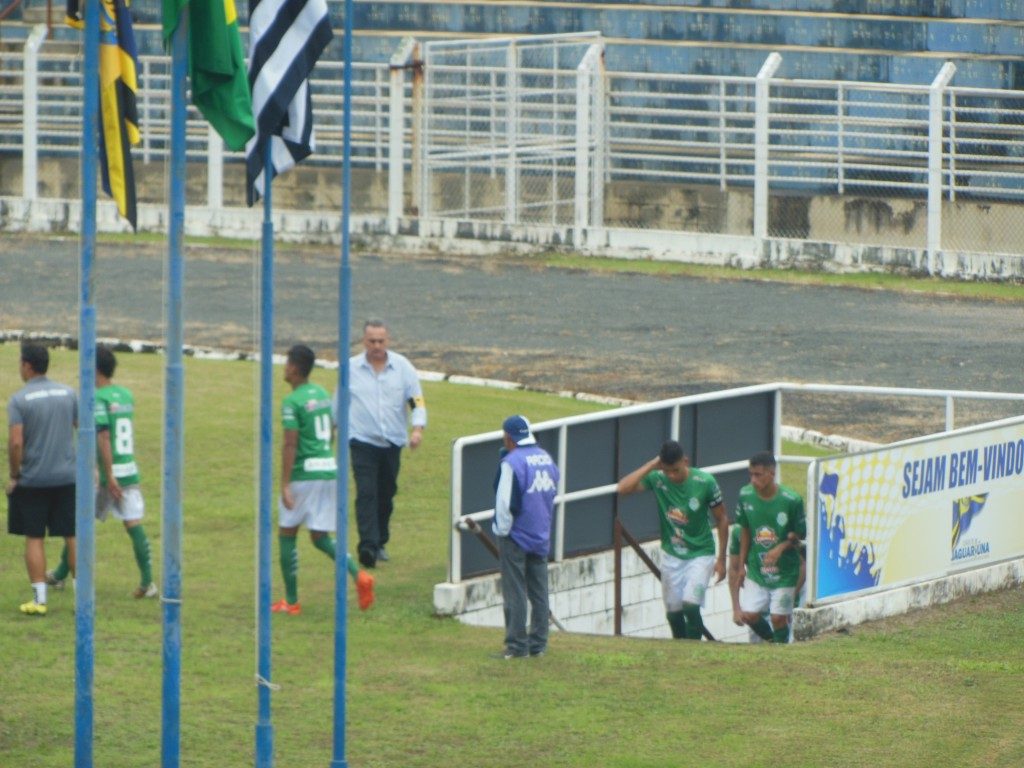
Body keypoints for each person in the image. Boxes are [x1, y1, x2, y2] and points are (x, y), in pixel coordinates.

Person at [47, 346, 156, 597]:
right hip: (129, 468)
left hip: (108, 473)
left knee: (78, 521)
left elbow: (104, 436)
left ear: (94, 369)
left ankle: (62, 574)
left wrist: (107, 475)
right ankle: (148, 582)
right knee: (132, 523)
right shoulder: (125, 395)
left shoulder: (97, 399)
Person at [275, 344, 374, 616]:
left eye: (286, 362)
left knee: (287, 532)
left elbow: (290, 444)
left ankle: (291, 601)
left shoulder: (292, 402)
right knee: (319, 537)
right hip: (328, 470)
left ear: (294, 368)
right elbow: (330, 430)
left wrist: (284, 483)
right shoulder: (320, 394)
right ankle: (359, 575)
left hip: (304, 474)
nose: (284, 367)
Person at [617, 440, 728, 640]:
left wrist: (722, 559)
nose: (671, 476)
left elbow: (722, 518)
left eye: (676, 470)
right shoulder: (659, 479)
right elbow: (623, 488)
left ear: (685, 461)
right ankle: (679, 650)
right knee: (673, 612)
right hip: (672, 555)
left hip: (700, 553)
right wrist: (652, 464)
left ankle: (694, 651)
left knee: (691, 606)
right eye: (667, 471)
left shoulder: (705, 482)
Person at [342, 319, 426, 569]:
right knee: (366, 492)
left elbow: (416, 401)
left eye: (381, 341)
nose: (376, 346)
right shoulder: (351, 368)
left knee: (385, 494)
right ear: (363, 341)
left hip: (392, 443)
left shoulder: (402, 367)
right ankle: (367, 546)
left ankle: (380, 541)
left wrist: (417, 429)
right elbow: (340, 401)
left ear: (387, 340)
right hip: (362, 441)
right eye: (372, 341)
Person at [6, 343, 78, 616]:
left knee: (34, 537)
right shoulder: (68, 393)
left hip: (34, 480)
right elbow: (83, 428)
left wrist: (15, 475)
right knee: (72, 535)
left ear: (27, 365)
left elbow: (15, 443)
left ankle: (39, 600)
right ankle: (82, 596)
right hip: (67, 478)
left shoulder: (19, 400)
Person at [493, 415, 559, 659]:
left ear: (508, 437)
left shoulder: (511, 462)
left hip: (516, 535)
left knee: (516, 591)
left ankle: (517, 645)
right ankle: (539, 644)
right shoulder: (546, 458)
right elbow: (553, 490)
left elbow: (505, 503)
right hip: (541, 534)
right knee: (540, 592)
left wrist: (502, 532)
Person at [735, 451, 806, 644]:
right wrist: (741, 566)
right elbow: (745, 530)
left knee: (778, 618)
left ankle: (778, 651)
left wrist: (781, 547)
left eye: (757, 475)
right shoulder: (745, 495)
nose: (753, 479)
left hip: (785, 572)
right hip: (757, 570)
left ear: (771, 473)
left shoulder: (791, 500)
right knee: (749, 615)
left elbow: (800, 535)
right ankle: (775, 644)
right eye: (751, 474)